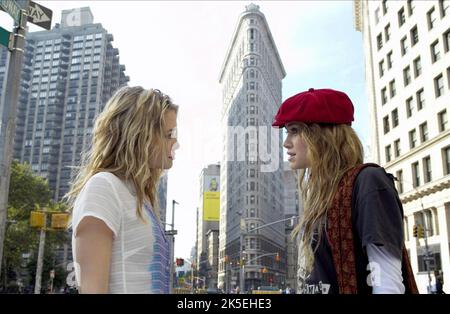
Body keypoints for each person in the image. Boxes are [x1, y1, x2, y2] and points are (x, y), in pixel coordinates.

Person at [272, 88, 418, 294]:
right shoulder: (323, 195)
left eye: (294, 130)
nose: (286, 142)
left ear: (322, 135)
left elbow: (387, 283)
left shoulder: (368, 181)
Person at [66, 86, 179, 293]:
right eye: (168, 134)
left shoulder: (141, 197)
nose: (176, 143)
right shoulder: (104, 187)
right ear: (141, 135)